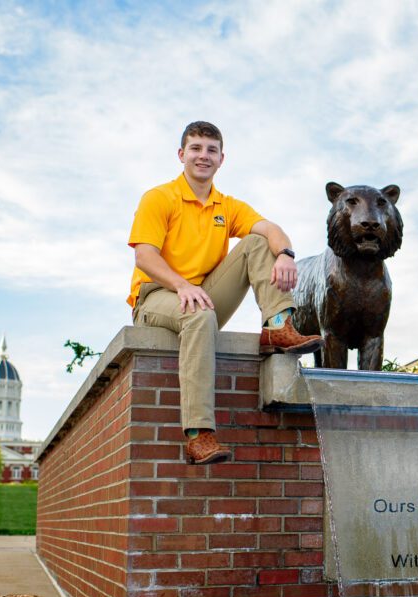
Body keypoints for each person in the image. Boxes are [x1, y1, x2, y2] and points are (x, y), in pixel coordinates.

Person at [127, 121, 322, 465]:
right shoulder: (159, 197)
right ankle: (198, 434)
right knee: (199, 315)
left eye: (211, 150)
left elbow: (270, 228)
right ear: (181, 154)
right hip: (157, 295)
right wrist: (182, 285)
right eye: (196, 148)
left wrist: (285, 255)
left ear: (222, 159)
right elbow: (145, 255)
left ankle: (278, 325)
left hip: (203, 294)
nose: (203, 156)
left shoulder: (226, 206)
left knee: (257, 242)